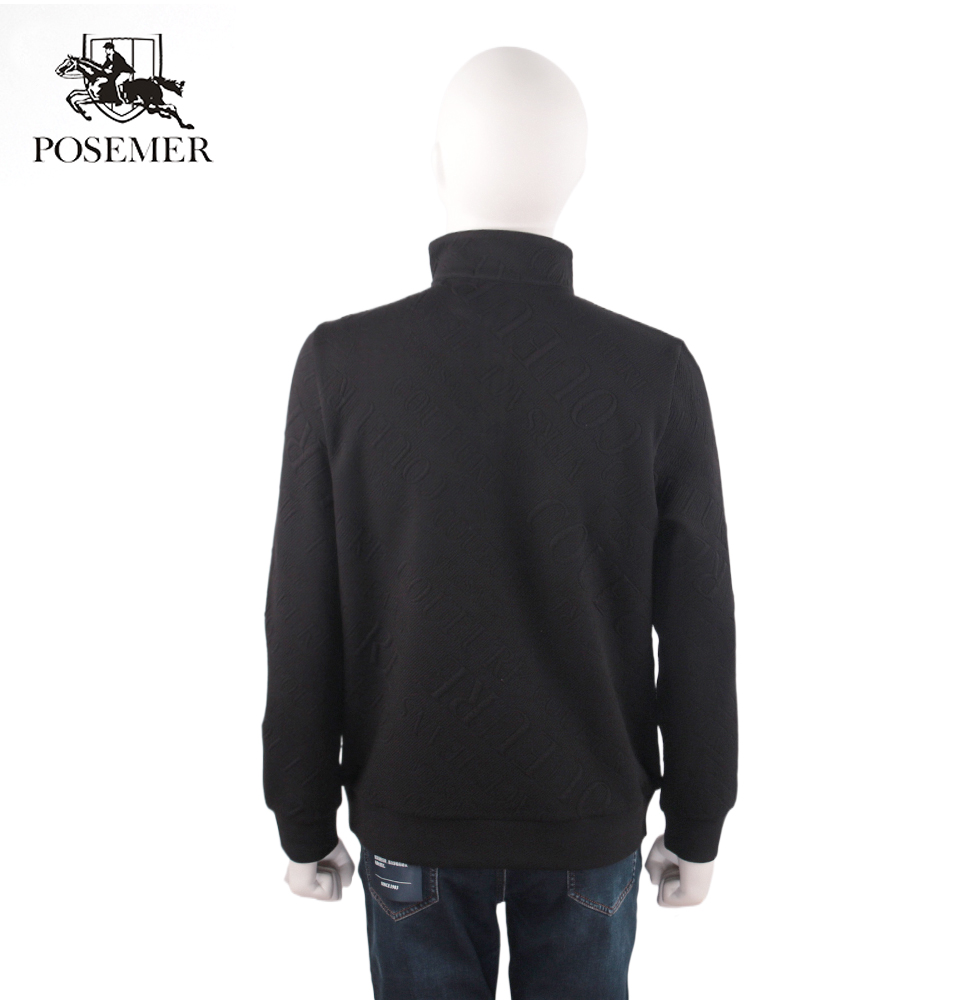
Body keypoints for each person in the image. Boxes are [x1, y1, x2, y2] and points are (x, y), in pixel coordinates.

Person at [263, 46, 738, 1000]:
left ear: (438, 165)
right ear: (578, 170)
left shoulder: (343, 366)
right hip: (587, 816)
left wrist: (302, 816)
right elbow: (699, 624)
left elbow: (302, 612)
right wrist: (697, 822)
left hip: (414, 811)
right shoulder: (654, 374)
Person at [100, 40, 133, 106]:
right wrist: (102, 69)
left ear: (110, 49)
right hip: (120, 72)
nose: (105, 51)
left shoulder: (116, 56)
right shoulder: (109, 56)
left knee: (116, 82)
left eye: (106, 49)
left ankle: (120, 99)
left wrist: (110, 71)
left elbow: (118, 67)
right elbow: (106, 64)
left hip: (126, 72)